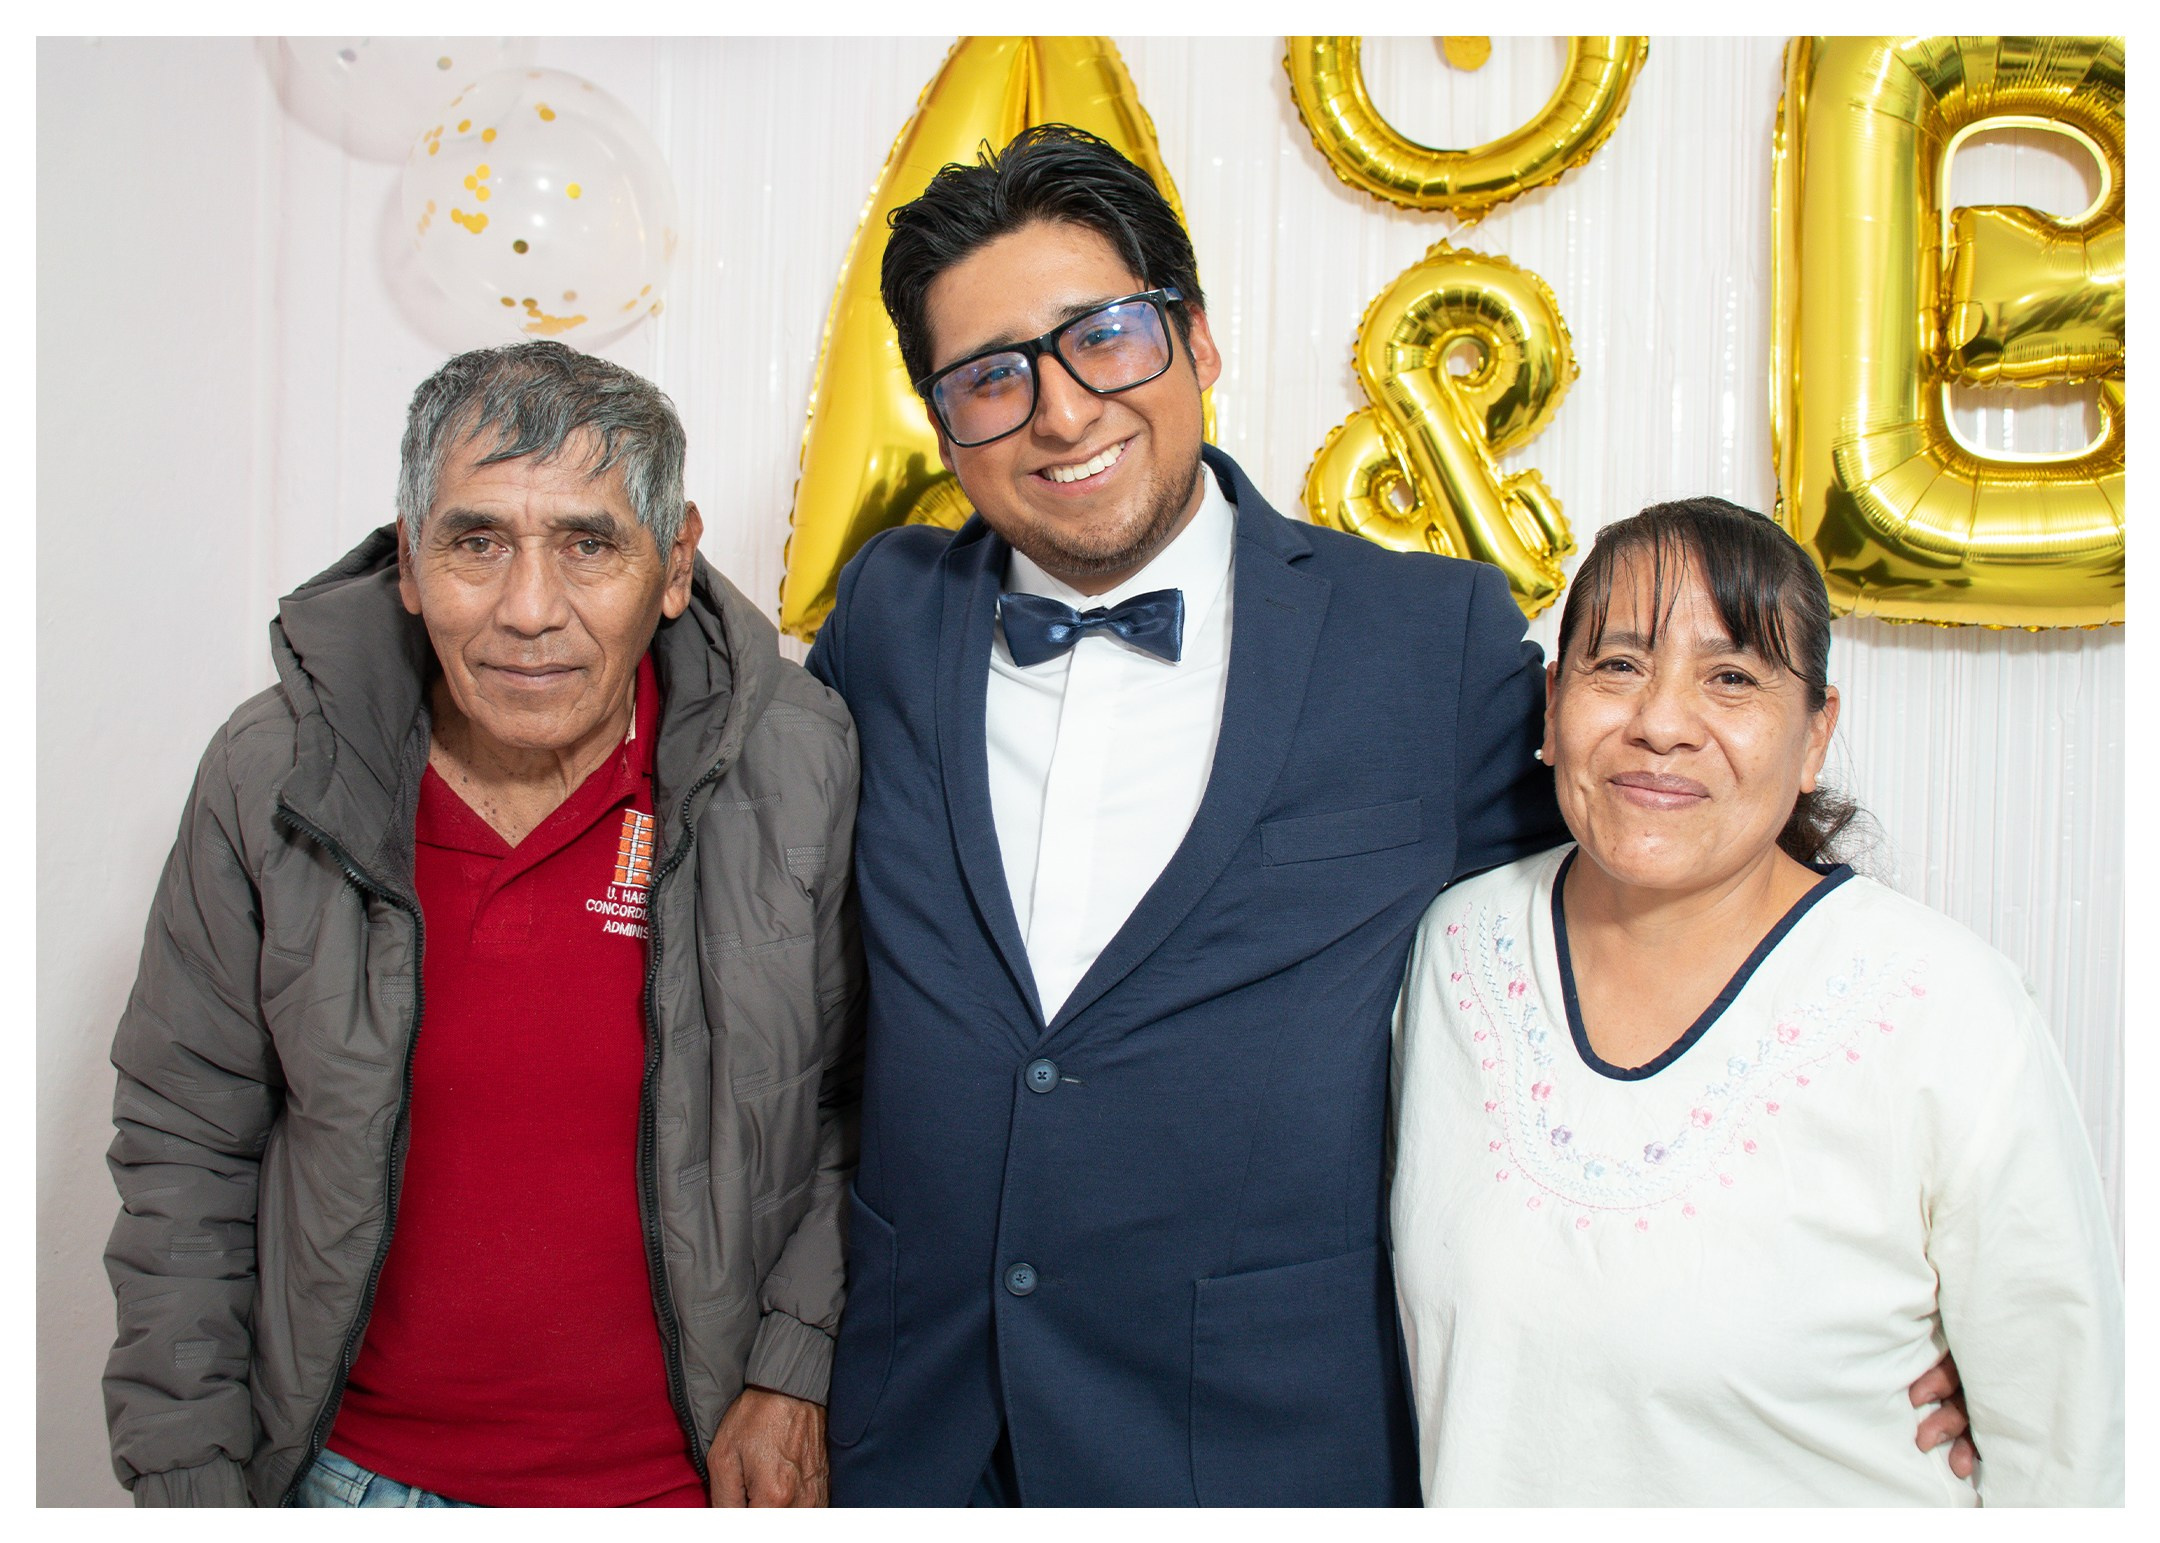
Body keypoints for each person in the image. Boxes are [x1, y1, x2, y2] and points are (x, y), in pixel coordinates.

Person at [803, 127, 1972, 1505]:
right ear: (944, 423)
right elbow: (773, 956)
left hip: (1254, 1446)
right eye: (992, 375)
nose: (1061, 413)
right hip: (910, 1434)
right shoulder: (888, 614)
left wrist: (1871, 1285)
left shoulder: (1425, 638)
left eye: (1104, 339)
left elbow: (1663, 898)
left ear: (1198, 342)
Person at [102, 341, 863, 1507]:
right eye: (476, 542)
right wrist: (188, 1485)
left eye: (588, 543)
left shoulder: (799, 759)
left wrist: (796, 1361)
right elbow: (185, 1143)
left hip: (685, 1485)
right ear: (408, 561)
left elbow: (856, 1104)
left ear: (674, 563)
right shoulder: (274, 775)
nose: (528, 611)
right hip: (348, 1479)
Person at [1390, 497, 2124, 1504]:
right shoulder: (1451, 953)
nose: (1659, 723)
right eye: (1618, 666)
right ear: (1553, 706)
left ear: (1816, 732)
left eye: (1730, 676)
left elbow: (2069, 1457)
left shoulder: (1944, 1009)